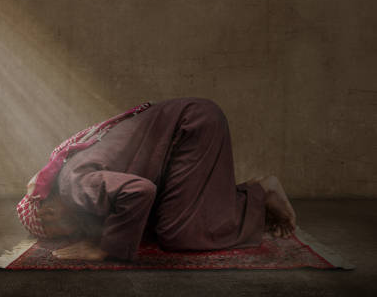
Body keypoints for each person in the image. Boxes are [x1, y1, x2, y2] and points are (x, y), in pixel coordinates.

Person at [16, 98, 297, 262]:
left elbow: (139, 191)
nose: (68, 235)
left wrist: (102, 248)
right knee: (157, 223)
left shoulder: (72, 185)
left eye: (54, 231)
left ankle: (260, 195)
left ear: (49, 210)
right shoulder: (71, 179)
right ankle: (252, 197)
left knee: (178, 234)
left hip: (192, 127)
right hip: (191, 122)